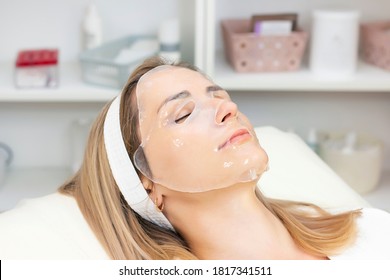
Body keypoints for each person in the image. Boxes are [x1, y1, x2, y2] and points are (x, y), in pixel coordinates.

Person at [1, 56, 389, 260]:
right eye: (182, 113)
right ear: (145, 184)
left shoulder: (371, 233)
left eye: (218, 96)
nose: (228, 108)